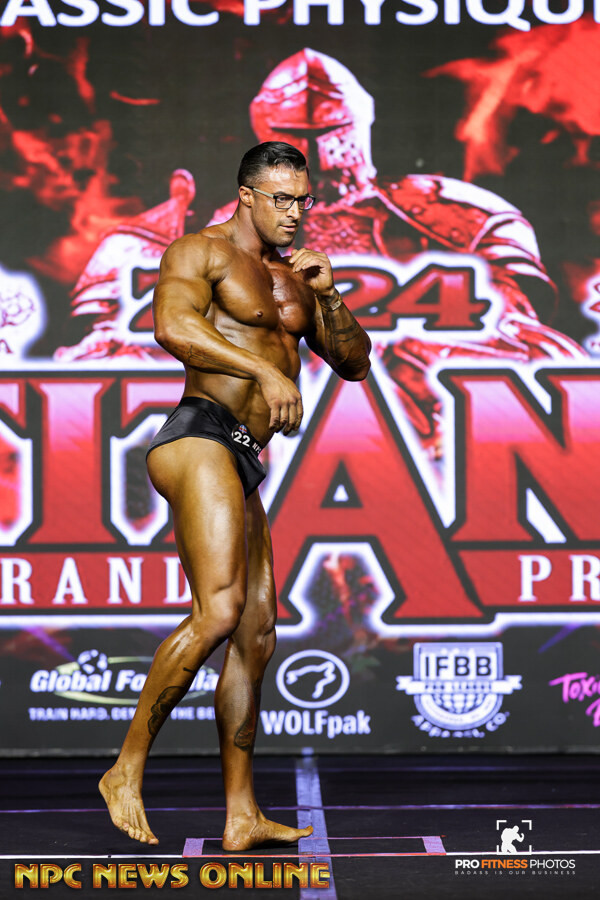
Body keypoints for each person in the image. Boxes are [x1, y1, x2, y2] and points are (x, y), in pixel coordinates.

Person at [99, 141, 372, 849]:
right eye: (281, 199)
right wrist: (265, 371)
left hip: (242, 456)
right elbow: (172, 326)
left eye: (303, 199)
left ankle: (241, 812)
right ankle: (125, 770)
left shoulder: (294, 277)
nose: (295, 212)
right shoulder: (201, 251)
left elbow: (354, 364)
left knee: (256, 634)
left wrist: (328, 295)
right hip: (199, 435)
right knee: (219, 611)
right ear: (246, 195)